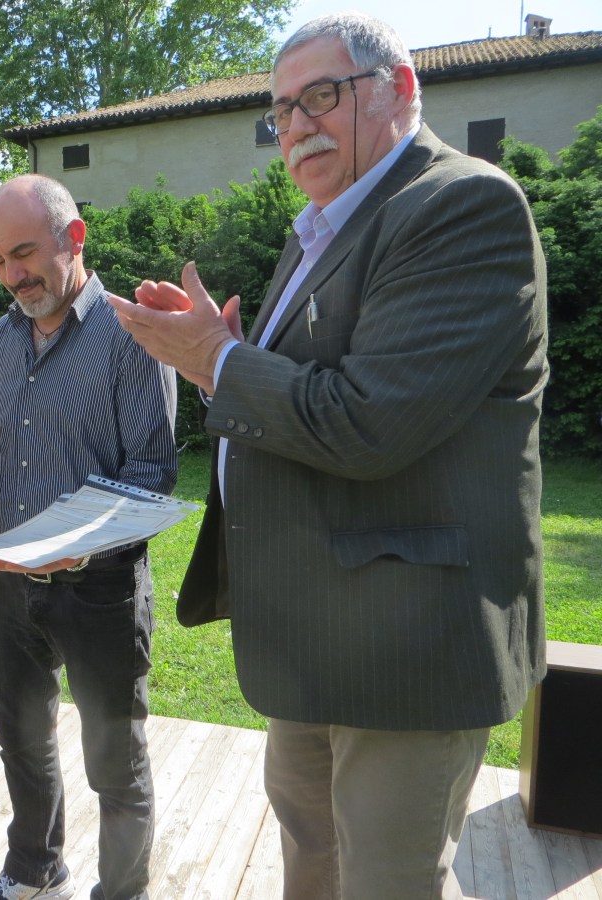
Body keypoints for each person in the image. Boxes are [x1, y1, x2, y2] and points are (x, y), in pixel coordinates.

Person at [109, 13, 548, 898]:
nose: (296, 125)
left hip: (409, 649)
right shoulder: (323, 226)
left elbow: (369, 422)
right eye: (280, 110)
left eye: (320, 96)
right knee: (312, 857)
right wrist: (222, 359)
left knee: (385, 881)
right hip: (319, 631)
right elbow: (307, 392)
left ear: (400, 89)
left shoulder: (461, 204)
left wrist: (219, 360)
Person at [0, 174, 178, 900]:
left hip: (100, 588)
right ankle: (34, 870)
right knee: (22, 741)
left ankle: (121, 892)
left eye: (24, 253)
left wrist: (84, 541)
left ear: (75, 238)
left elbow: (152, 473)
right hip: (14, 583)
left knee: (114, 760)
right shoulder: (1, 338)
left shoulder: (131, 334)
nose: (12, 276)